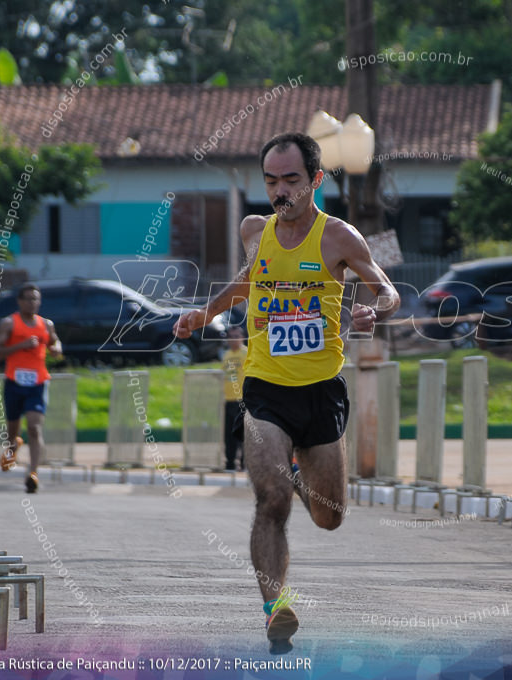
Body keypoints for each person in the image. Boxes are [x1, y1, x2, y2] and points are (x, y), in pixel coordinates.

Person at [174, 132, 400, 654]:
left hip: (321, 389)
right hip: (264, 387)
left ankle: (300, 473)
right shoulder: (256, 229)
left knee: (329, 516)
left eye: (292, 180)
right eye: (271, 181)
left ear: (315, 180)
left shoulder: (339, 237)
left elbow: (384, 285)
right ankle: (275, 608)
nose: (280, 192)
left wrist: (376, 308)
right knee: (270, 499)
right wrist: (204, 314)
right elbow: (248, 280)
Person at [0, 283, 63, 493]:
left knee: (35, 428)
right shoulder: (9, 323)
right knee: (12, 429)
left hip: (38, 382)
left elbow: (56, 344)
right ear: (20, 301)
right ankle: (13, 445)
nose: (32, 302)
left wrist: (56, 349)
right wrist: (21, 346)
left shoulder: (46, 324)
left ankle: (32, 473)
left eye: (36, 299)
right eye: (28, 299)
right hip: (14, 381)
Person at [222, 325, 247, 471]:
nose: (233, 340)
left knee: (244, 434)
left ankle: (245, 463)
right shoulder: (227, 355)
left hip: (242, 400)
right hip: (228, 399)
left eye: (236, 336)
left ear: (242, 337)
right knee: (229, 434)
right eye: (231, 337)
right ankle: (230, 463)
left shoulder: (246, 353)